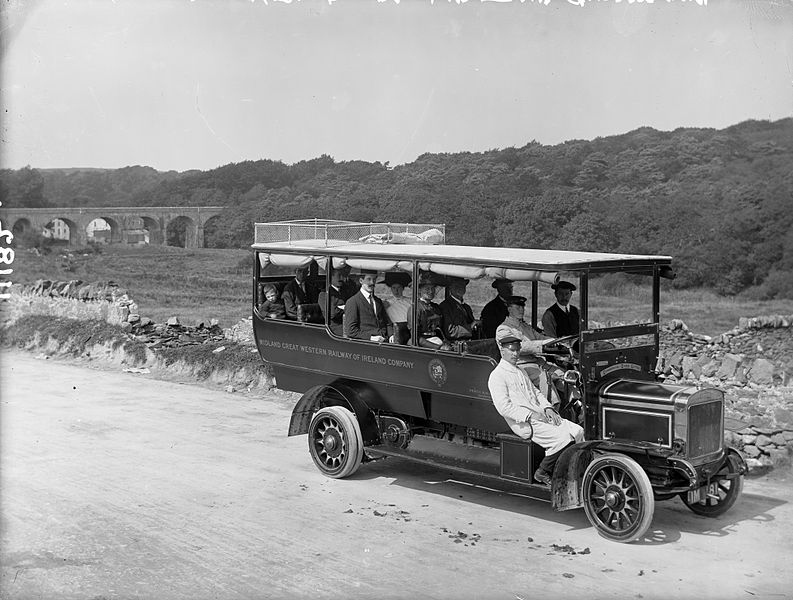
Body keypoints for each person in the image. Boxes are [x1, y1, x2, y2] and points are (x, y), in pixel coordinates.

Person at [487, 328, 584, 486]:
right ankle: (543, 471)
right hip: (524, 423)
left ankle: (571, 470)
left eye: (517, 350)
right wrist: (530, 416)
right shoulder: (497, 376)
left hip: (541, 416)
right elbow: (504, 407)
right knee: (563, 439)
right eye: (511, 351)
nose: (515, 354)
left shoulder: (520, 371)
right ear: (502, 350)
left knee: (578, 431)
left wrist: (548, 408)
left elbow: (536, 393)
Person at [496, 295, 565, 405]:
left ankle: (576, 407)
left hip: (538, 362)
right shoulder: (503, 329)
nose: (522, 310)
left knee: (565, 375)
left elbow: (540, 338)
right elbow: (520, 347)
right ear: (509, 309)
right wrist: (542, 344)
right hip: (520, 365)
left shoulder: (525, 327)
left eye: (522, 307)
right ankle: (552, 412)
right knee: (545, 379)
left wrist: (557, 341)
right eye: (518, 307)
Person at [343, 270, 390, 341]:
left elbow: (387, 322)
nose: (372, 282)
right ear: (361, 281)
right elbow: (351, 331)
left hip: (384, 340)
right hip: (367, 344)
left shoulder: (378, 301)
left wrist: (392, 334)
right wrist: (371, 338)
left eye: (374, 279)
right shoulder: (353, 302)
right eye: (369, 279)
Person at [408, 273, 452, 350]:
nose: (431, 291)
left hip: (437, 340)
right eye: (427, 289)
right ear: (420, 290)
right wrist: (439, 347)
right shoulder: (415, 308)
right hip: (423, 345)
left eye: (432, 288)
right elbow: (416, 338)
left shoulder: (436, 307)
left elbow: (441, 329)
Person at [439, 276, 479, 341]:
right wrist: (470, 327)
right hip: (456, 346)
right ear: (450, 288)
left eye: (463, 285)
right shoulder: (445, 306)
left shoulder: (467, 307)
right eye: (456, 286)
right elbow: (450, 332)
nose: (460, 288)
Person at [381, 272, 412, 345]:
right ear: (391, 289)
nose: (396, 290)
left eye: (398, 288)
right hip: (395, 331)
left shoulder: (410, 301)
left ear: (403, 288)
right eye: (394, 288)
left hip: (409, 330)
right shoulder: (386, 303)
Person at [318, 269, 346, 335]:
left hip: (347, 323)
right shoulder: (324, 294)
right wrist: (347, 309)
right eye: (339, 276)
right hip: (333, 329)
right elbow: (333, 314)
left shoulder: (345, 291)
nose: (341, 278)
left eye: (342, 275)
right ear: (331, 277)